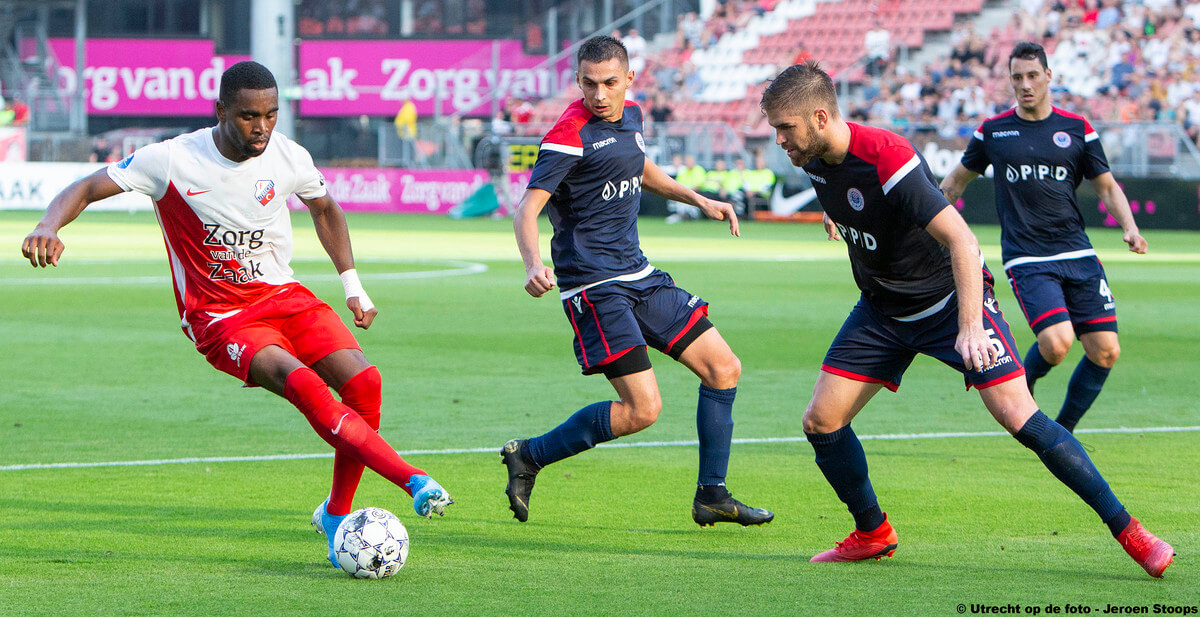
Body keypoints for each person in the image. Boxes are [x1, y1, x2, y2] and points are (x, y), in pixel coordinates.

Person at [20, 61, 452, 571]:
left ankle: (336, 514)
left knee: (366, 385)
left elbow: (325, 207)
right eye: (249, 116)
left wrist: (352, 286)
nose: (262, 127)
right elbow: (89, 186)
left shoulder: (288, 155)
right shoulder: (172, 160)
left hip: (283, 295)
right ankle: (411, 478)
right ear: (221, 110)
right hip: (221, 316)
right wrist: (49, 223)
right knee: (304, 385)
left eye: (271, 114)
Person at [761, 60, 1172, 577]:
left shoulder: (888, 159)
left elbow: (963, 239)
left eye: (785, 128)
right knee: (822, 421)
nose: (779, 139)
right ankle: (872, 532)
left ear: (819, 118)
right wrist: (841, 210)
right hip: (884, 308)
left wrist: (971, 326)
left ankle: (1132, 533)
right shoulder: (815, 158)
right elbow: (854, 196)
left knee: (1021, 419)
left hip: (950, 303)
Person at [503, 35, 773, 528]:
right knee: (643, 409)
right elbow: (527, 209)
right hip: (594, 285)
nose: (599, 94)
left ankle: (712, 494)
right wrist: (531, 264)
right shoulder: (567, 134)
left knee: (723, 368)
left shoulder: (634, 115)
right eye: (589, 84)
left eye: (609, 83)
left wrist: (700, 199)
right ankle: (530, 455)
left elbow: (640, 168)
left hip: (640, 274)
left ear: (630, 79)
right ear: (578, 81)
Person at [940, 42, 1148, 433]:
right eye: (1017, 77)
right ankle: (1026, 383)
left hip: (1078, 252)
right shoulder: (993, 132)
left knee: (1106, 350)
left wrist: (1129, 226)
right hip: (1027, 256)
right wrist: (927, 224)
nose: (1025, 84)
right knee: (1056, 342)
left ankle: (1063, 432)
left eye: (1033, 75)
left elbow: (1105, 186)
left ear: (1048, 76)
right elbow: (954, 183)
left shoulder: (1077, 129)